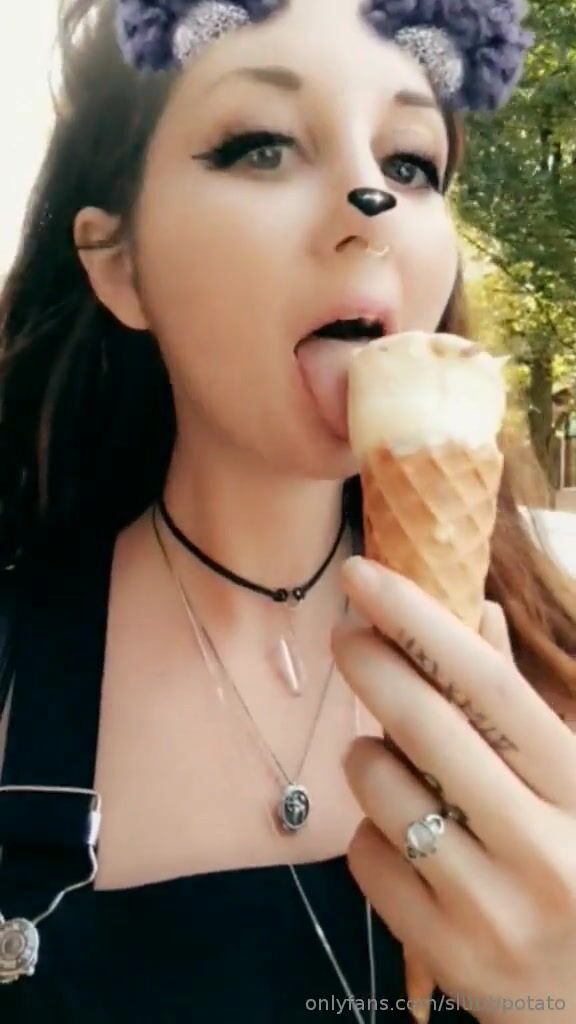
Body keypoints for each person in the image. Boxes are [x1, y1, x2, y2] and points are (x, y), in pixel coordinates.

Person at [0, 0, 575, 1020]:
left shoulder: (557, 671)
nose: (371, 201)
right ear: (120, 264)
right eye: (261, 147)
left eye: (410, 163)